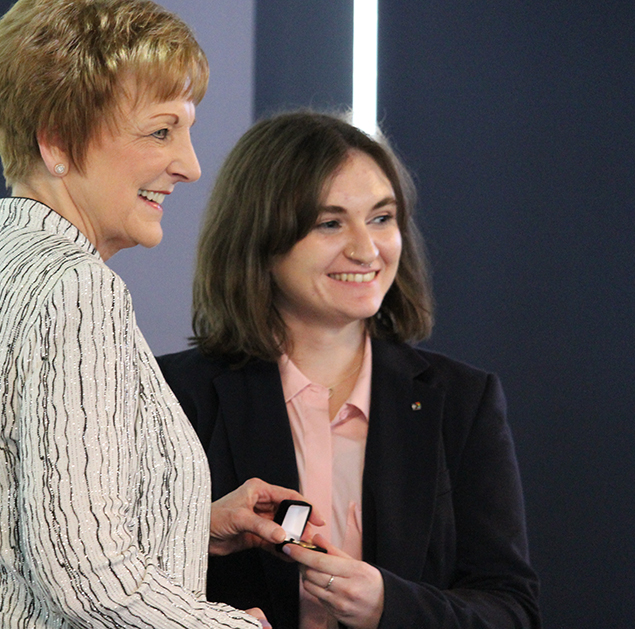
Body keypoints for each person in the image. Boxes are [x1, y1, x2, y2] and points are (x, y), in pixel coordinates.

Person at [0, 0, 310, 629]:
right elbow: (86, 579)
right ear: (57, 140)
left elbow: (8, 532)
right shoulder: (74, 289)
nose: (191, 165)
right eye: (160, 132)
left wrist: (187, 522)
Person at [158, 111, 541, 629]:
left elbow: (512, 611)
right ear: (260, 241)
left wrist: (391, 605)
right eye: (330, 222)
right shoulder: (172, 395)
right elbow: (112, 584)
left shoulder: (462, 400)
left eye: (381, 218)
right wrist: (195, 530)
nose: (366, 249)